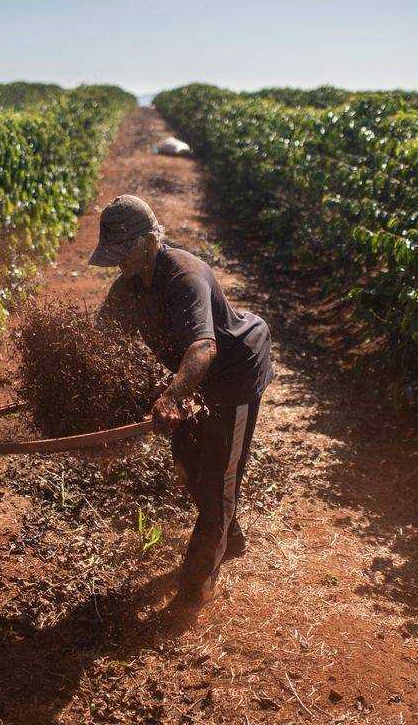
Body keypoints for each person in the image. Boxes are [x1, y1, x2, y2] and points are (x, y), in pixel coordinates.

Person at [90, 194, 273, 609]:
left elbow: (204, 349)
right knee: (188, 464)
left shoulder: (183, 276)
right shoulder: (129, 288)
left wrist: (172, 395)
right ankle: (232, 535)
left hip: (233, 375)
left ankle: (194, 588)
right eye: (113, 255)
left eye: (125, 252)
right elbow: (96, 343)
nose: (119, 263)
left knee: (219, 479)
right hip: (193, 381)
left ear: (149, 241)